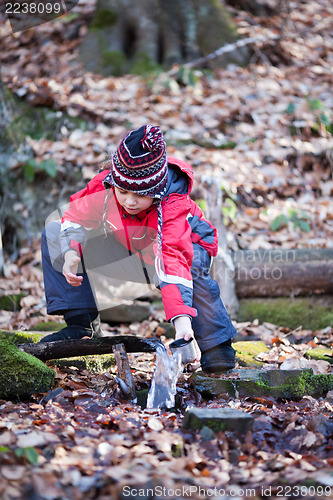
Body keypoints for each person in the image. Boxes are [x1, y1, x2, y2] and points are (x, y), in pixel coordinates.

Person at [40, 125, 236, 372]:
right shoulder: (106, 184)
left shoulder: (172, 204)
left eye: (141, 195)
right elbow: (76, 215)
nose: (130, 201)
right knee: (54, 232)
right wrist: (70, 253)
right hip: (133, 249)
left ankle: (216, 345)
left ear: (157, 190)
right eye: (123, 191)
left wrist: (182, 321)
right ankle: (82, 327)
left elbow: (173, 257)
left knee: (193, 261)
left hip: (178, 254)